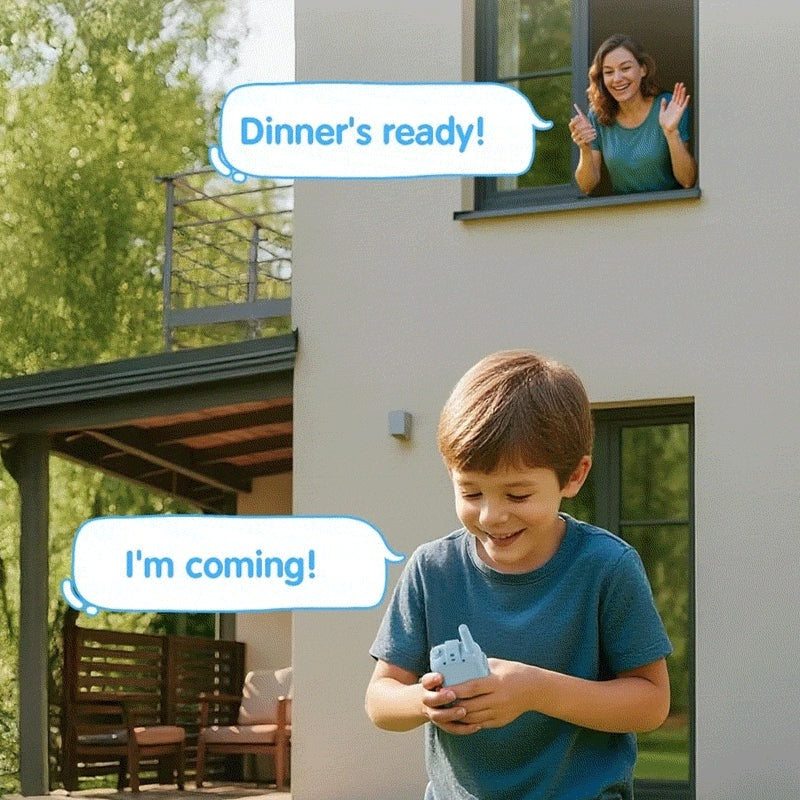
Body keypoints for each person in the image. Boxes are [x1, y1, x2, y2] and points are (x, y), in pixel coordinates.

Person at [365, 350, 672, 800]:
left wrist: (535, 691)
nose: (493, 515)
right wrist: (422, 703)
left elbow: (650, 703)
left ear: (574, 476)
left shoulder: (607, 567)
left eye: (518, 493)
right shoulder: (432, 570)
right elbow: (380, 699)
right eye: (470, 491)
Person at [569, 34, 697, 194]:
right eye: (608, 72)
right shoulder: (598, 116)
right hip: (626, 215)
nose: (617, 79)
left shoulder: (669, 106)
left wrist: (671, 133)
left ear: (643, 69)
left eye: (625, 68)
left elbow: (687, 181)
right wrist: (585, 148)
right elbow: (587, 186)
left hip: (670, 212)